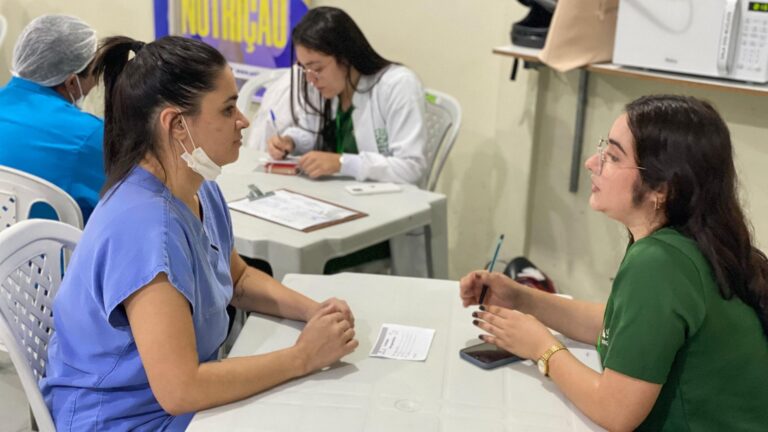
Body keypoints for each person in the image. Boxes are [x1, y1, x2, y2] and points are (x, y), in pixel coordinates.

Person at [40, 35, 358, 431]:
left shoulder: (198, 186)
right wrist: (302, 357)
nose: (243, 121)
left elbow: (237, 279)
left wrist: (315, 312)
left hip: (172, 399)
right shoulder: (143, 229)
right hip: (126, 418)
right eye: (228, 110)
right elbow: (181, 389)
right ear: (176, 125)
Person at [460, 95, 768, 431]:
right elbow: (616, 327)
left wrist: (542, 348)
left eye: (613, 156)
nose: (592, 162)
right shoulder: (687, 244)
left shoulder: (659, 263)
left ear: (660, 189)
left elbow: (616, 411)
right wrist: (523, 299)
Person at [267, 6, 427, 185]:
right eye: (305, 69)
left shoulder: (397, 85)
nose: (311, 79)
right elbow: (311, 131)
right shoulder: (323, 85)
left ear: (345, 56)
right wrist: (291, 141)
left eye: (318, 68)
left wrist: (342, 163)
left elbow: (411, 168)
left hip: (386, 199)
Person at [0, 14, 104, 221]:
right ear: (72, 82)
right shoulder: (89, 135)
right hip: (57, 252)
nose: (94, 85)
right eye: (94, 75)